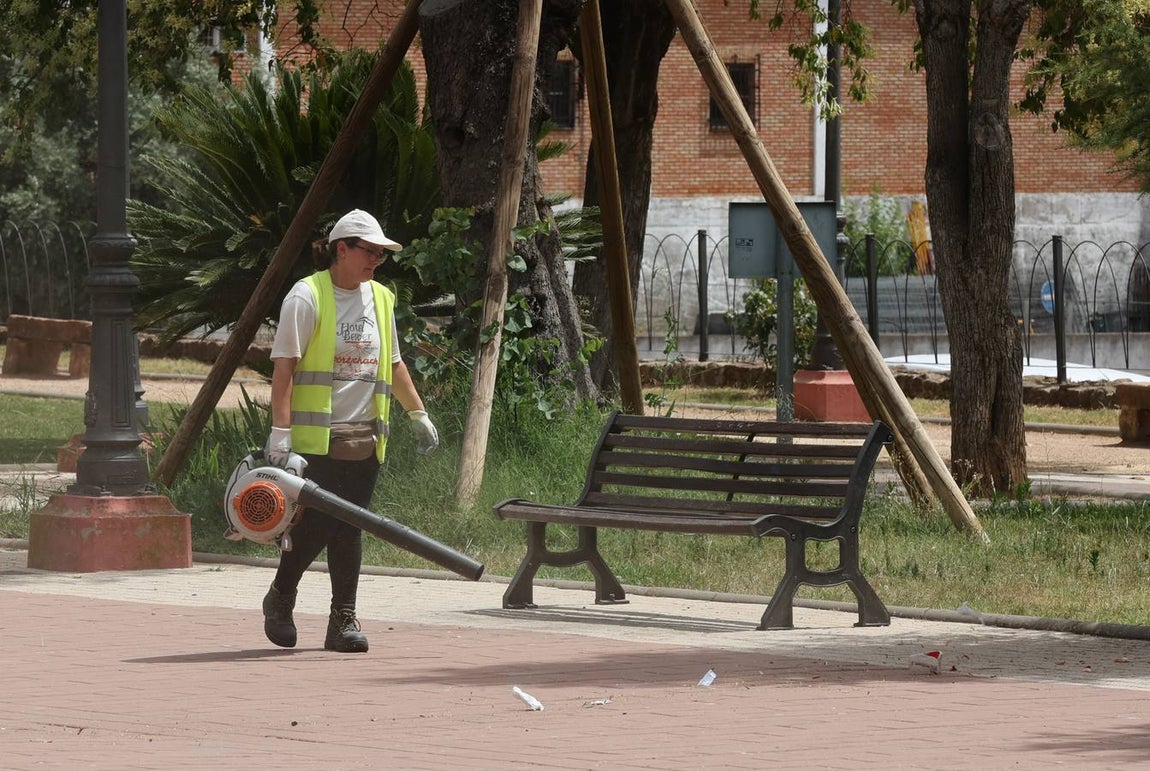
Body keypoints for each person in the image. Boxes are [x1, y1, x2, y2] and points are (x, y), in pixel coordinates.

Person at [261, 209, 439, 653]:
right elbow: (284, 371)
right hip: (316, 440)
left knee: (349, 526)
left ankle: (338, 619)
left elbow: (394, 364)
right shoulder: (306, 297)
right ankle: (285, 597)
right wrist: (280, 435)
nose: (377, 260)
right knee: (322, 523)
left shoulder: (381, 298)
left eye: (382, 254)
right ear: (341, 249)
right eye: (370, 251)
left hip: (366, 437)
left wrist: (417, 414)